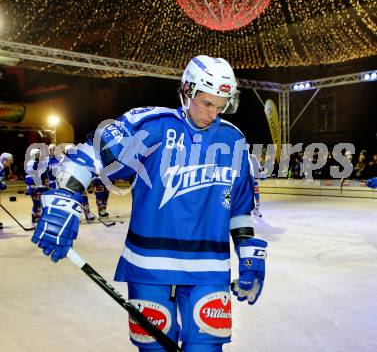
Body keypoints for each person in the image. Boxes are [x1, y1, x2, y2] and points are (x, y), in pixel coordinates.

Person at [31, 55, 268, 351]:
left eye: (221, 106)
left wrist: (248, 253)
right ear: (187, 91)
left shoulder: (233, 140)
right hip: (149, 268)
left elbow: (240, 208)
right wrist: (65, 198)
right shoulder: (152, 125)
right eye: (207, 104)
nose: (213, 114)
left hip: (209, 269)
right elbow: (89, 154)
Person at [25, 148, 49, 224]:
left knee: (42, 202)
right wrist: (31, 185)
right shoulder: (30, 163)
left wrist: (46, 183)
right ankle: (35, 216)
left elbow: (44, 174)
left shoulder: (42, 163)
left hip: (41, 186)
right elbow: (29, 175)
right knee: (36, 202)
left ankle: (41, 216)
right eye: (36, 154)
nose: (38, 155)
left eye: (39, 154)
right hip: (34, 186)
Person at [0, 152, 14, 229]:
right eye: (9, 160)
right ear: (5, 160)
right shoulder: (0, 166)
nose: (10, 162)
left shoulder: (2, 167)